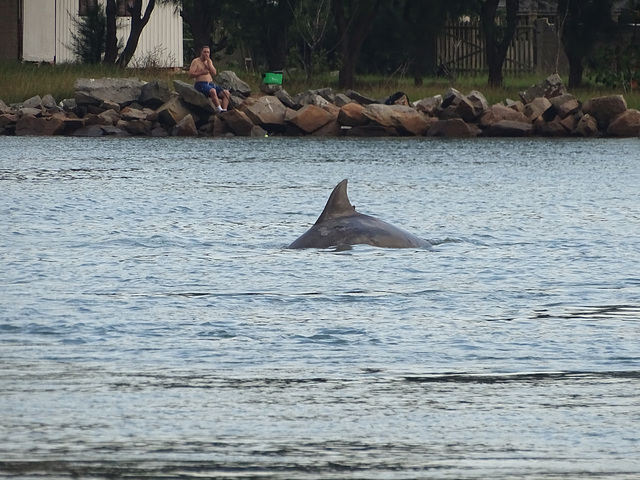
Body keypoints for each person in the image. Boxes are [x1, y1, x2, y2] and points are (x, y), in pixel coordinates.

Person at [189, 46, 230, 113]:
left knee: (226, 93)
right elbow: (190, 74)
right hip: (201, 84)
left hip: (210, 84)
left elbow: (214, 73)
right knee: (213, 91)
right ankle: (219, 109)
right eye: (204, 52)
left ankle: (224, 110)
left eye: (208, 52)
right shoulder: (196, 61)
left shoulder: (209, 61)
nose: (206, 54)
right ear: (201, 52)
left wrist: (209, 64)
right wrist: (202, 72)